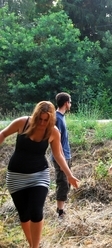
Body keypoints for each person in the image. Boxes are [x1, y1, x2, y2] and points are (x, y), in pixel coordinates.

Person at [0, 101, 79, 248]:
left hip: (39, 175)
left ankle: (35, 246)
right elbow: (3, 133)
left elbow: (59, 155)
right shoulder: (23, 122)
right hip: (16, 176)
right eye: (40, 119)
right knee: (24, 216)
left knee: (36, 211)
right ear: (35, 116)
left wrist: (69, 174)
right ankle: (32, 244)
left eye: (46, 120)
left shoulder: (53, 131)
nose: (42, 122)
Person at [51, 92, 72, 218]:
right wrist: (63, 158)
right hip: (61, 157)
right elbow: (56, 142)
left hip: (66, 155)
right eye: (70, 102)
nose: (71, 104)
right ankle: (60, 212)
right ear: (66, 103)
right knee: (62, 182)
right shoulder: (57, 118)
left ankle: (61, 208)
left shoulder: (61, 117)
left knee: (66, 183)